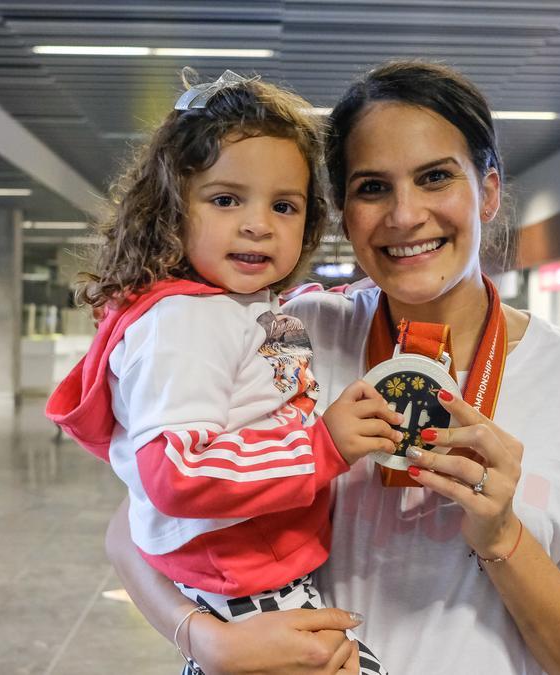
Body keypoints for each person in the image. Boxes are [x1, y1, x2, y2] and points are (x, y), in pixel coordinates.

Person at [105, 60, 560, 675]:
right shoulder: (288, 336)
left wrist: (504, 540)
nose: (405, 215)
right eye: (372, 187)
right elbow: (134, 525)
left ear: (487, 190)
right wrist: (206, 640)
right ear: (340, 211)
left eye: (436, 177)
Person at [45, 71, 398, 675]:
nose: (258, 223)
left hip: (242, 576)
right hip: (248, 582)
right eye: (226, 199)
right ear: (172, 210)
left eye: (283, 205)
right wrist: (324, 446)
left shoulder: (228, 308)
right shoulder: (184, 320)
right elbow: (173, 471)